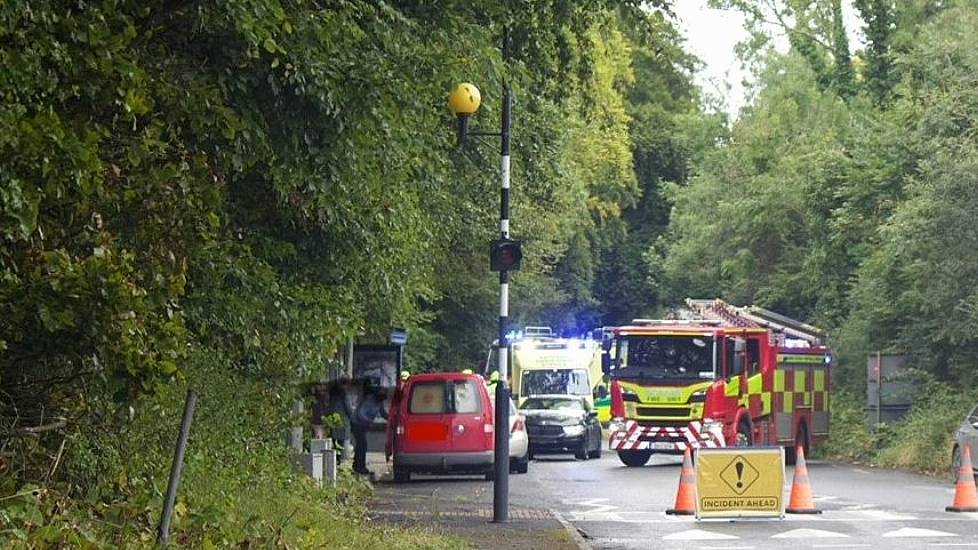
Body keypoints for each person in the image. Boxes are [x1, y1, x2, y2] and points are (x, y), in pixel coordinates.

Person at [351, 385, 389, 475]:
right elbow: (361, 414)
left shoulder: (379, 402)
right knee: (362, 444)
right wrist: (369, 422)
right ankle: (360, 466)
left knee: (361, 444)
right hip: (357, 423)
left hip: (364, 424)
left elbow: (383, 413)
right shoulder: (369, 400)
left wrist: (391, 418)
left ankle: (357, 465)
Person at [325, 379, 354, 464]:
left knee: (334, 440)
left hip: (333, 419)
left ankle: (333, 460)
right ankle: (338, 460)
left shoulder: (332, 393)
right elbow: (348, 409)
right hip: (342, 421)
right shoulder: (344, 394)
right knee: (341, 442)